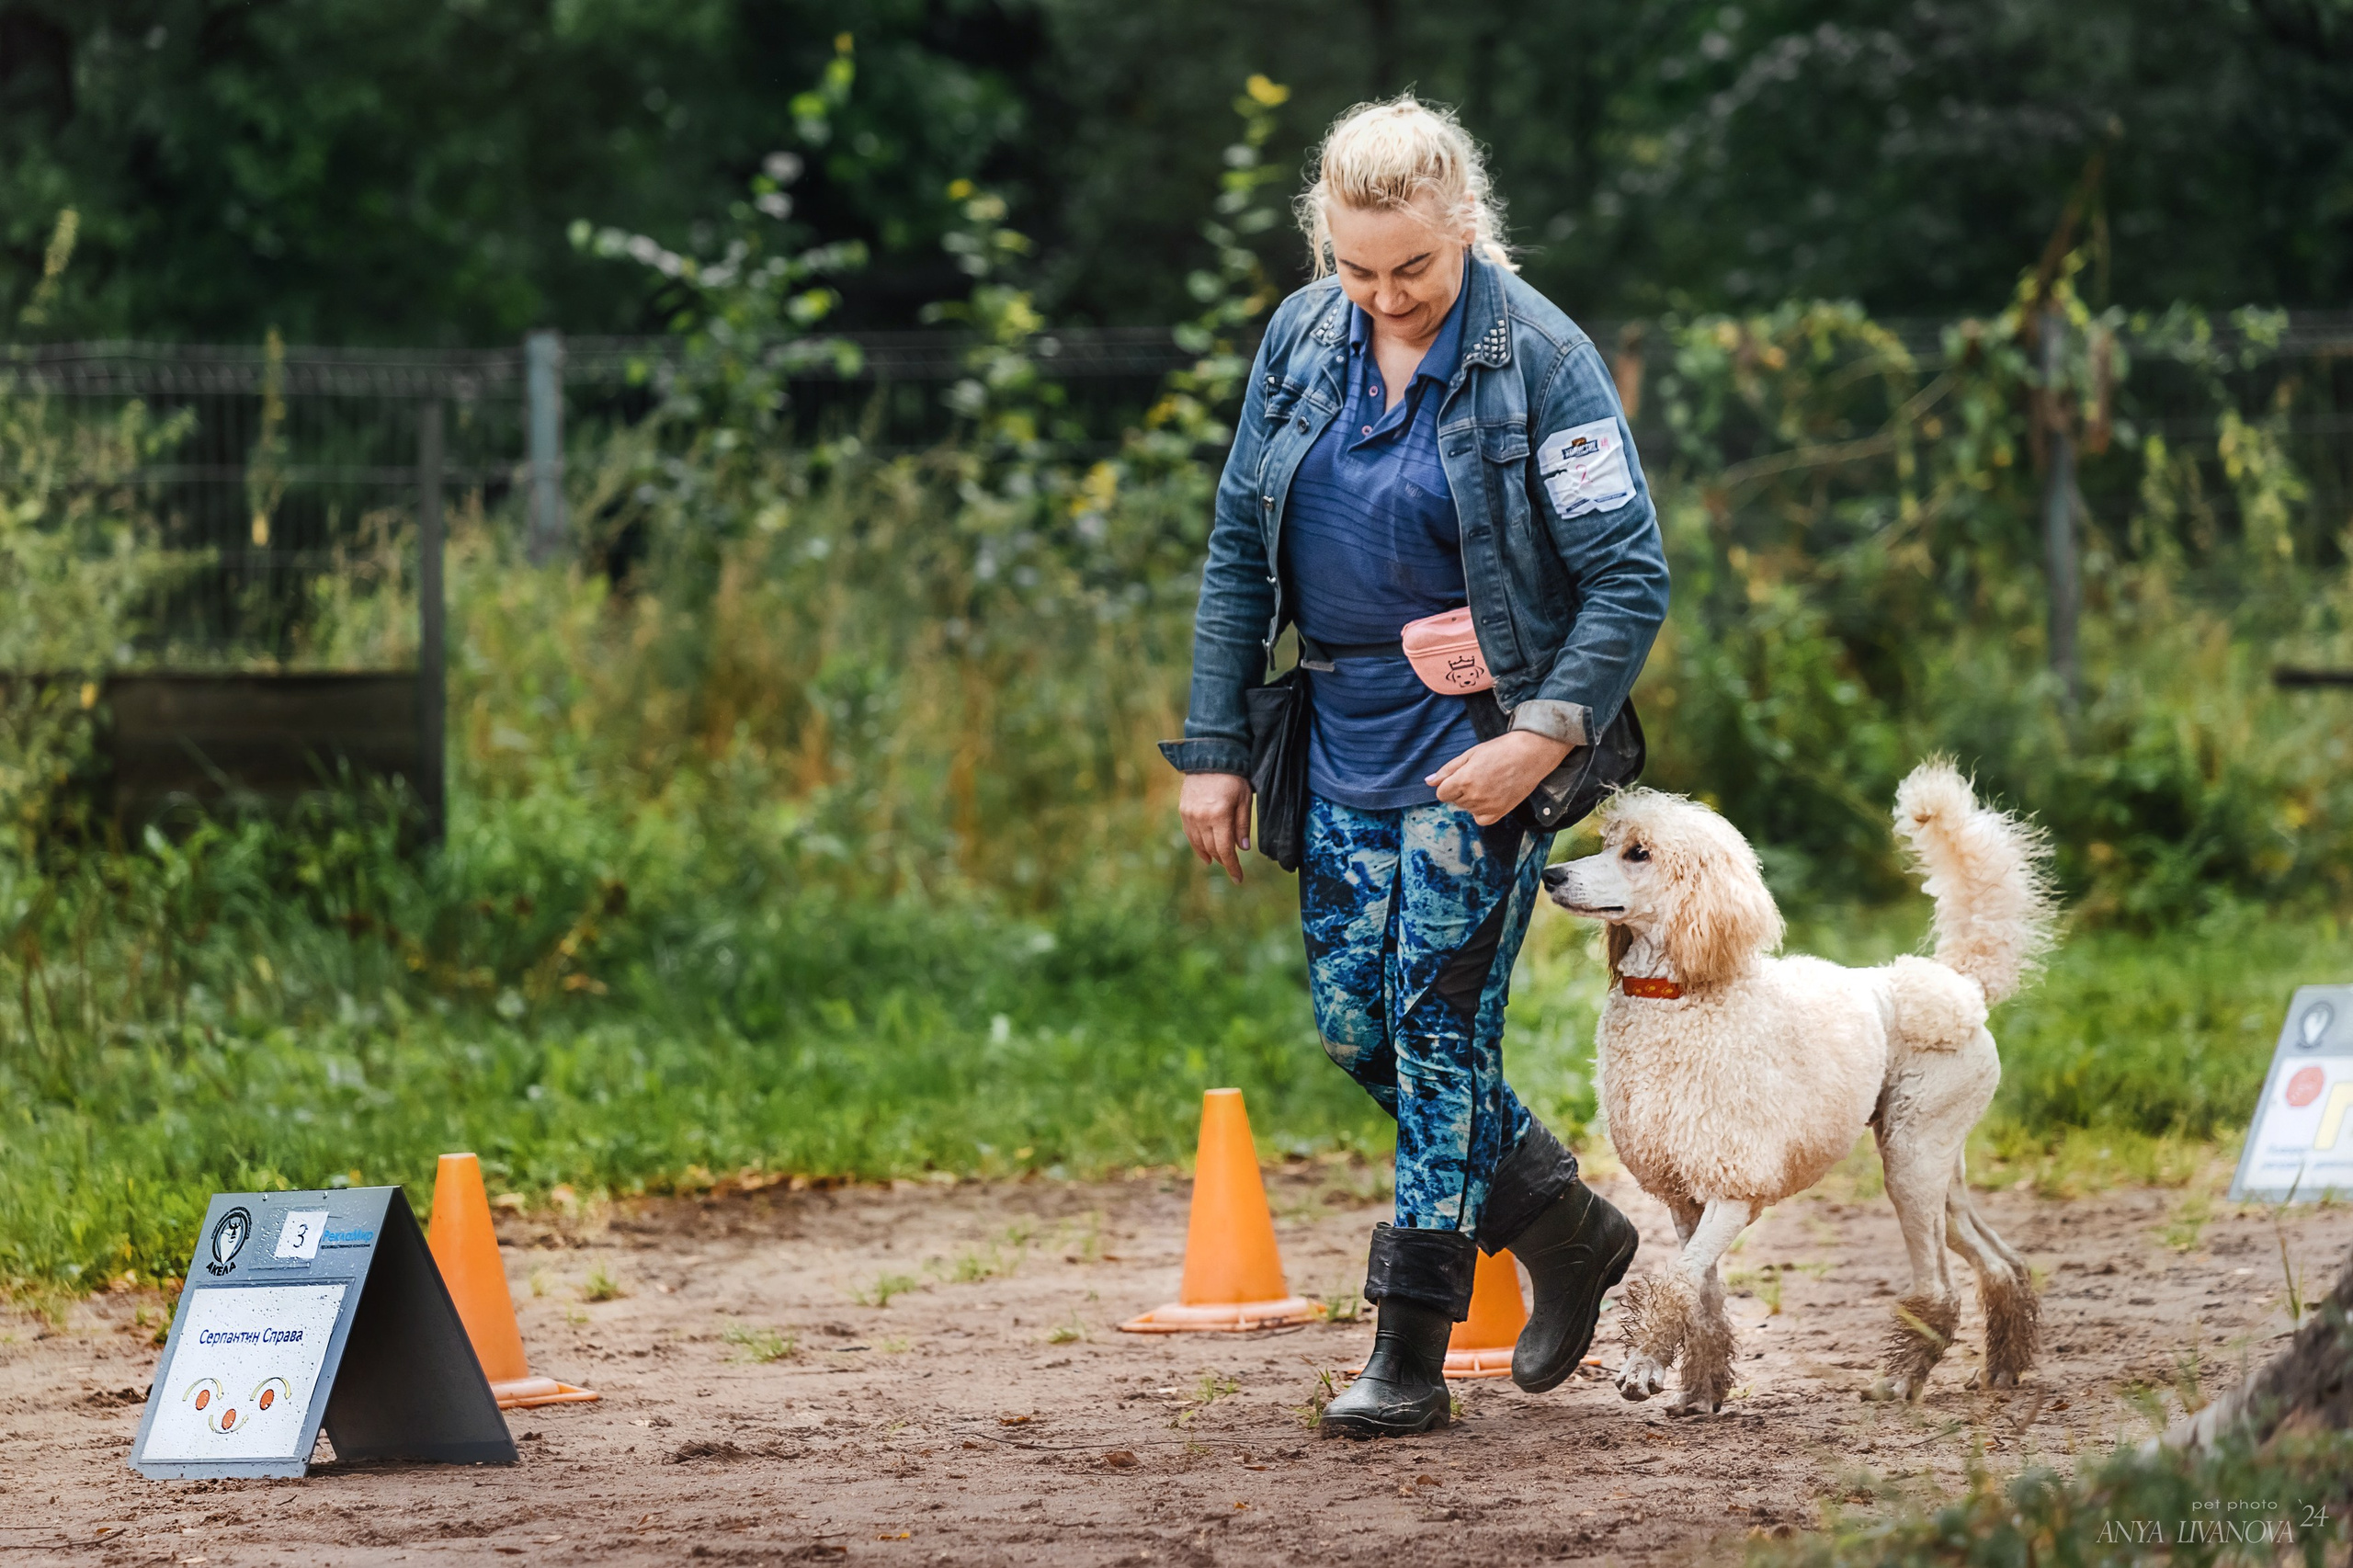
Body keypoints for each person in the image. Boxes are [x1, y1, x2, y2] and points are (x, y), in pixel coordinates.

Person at [1159, 97, 1670, 1438]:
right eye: (1356, 268)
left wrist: (1537, 738)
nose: (1386, 297)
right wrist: (1215, 750)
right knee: (1357, 1031)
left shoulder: (1542, 359)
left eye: (1415, 269)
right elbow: (1236, 551)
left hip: (1482, 748)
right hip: (1338, 738)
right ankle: (1565, 1224)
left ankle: (1409, 1347)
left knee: (1439, 1035)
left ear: (1467, 225)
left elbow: (1628, 575)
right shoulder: (1298, 338)